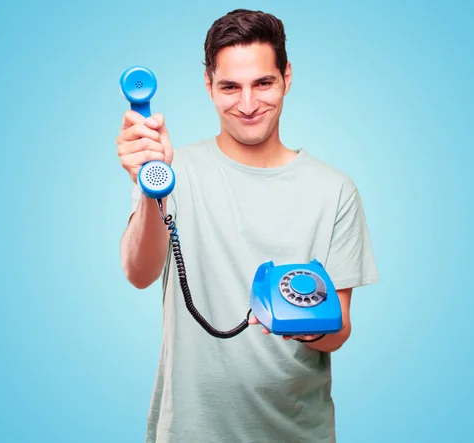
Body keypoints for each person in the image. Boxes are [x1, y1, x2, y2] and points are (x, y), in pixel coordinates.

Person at [116, 8, 379, 443]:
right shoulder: (171, 170)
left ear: (287, 77)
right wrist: (151, 189)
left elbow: (340, 329)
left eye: (263, 83)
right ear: (208, 85)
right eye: (230, 87)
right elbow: (138, 273)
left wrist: (306, 322)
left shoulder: (336, 190)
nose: (248, 104)